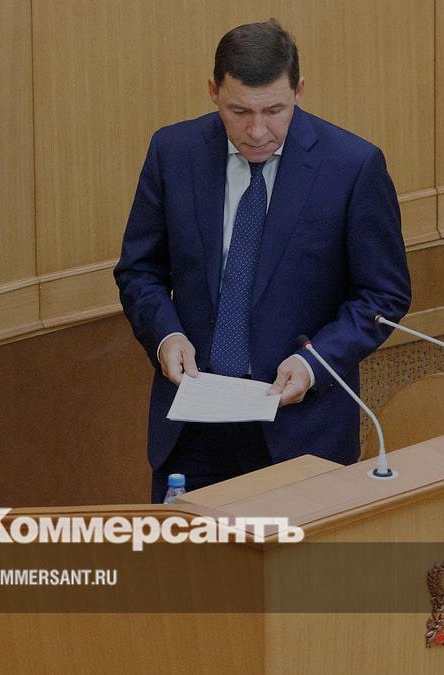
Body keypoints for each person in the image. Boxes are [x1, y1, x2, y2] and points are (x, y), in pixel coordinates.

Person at [114, 19, 411, 503]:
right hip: (192, 428)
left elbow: (383, 296)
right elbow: (139, 271)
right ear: (213, 92)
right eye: (239, 111)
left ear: (299, 91)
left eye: (274, 110)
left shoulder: (351, 166)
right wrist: (165, 335)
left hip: (301, 429)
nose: (256, 131)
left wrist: (314, 363)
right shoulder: (174, 152)